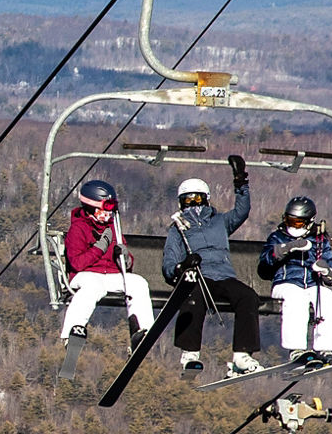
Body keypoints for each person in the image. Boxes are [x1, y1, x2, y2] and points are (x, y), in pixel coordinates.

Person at [163, 155, 267, 377]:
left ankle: (242, 355)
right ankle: (189, 353)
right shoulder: (178, 229)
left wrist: (241, 181)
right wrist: (183, 267)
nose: (194, 205)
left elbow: (242, 211)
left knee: (247, 297)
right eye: (188, 201)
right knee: (192, 297)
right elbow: (169, 264)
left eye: (198, 200)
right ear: (181, 204)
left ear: (206, 200)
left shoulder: (220, 222)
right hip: (199, 278)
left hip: (223, 276)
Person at [60, 179, 155, 348]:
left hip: (110, 275)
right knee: (93, 287)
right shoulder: (79, 228)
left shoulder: (113, 227)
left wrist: (125, 257)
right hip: (85, 275)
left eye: (110, 209)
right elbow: (76, 263)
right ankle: (74, 330)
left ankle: (141, 330)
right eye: (104, 209)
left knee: (138, 283)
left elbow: (126, 265)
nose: (107, 214)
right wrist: (99, 248)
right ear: (91, 207)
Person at [261, 196, 332, 368]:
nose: (292, 226)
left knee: (328, 300)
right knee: (296, 298)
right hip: (286, 283)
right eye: (289, 221)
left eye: (297, 223)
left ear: (309, 222)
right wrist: (286, 249)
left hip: (313, 284)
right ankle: (296, 348)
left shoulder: (319, 241)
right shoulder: (278, 237)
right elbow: (265, 263)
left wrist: (326, 271)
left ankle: (325, 348)